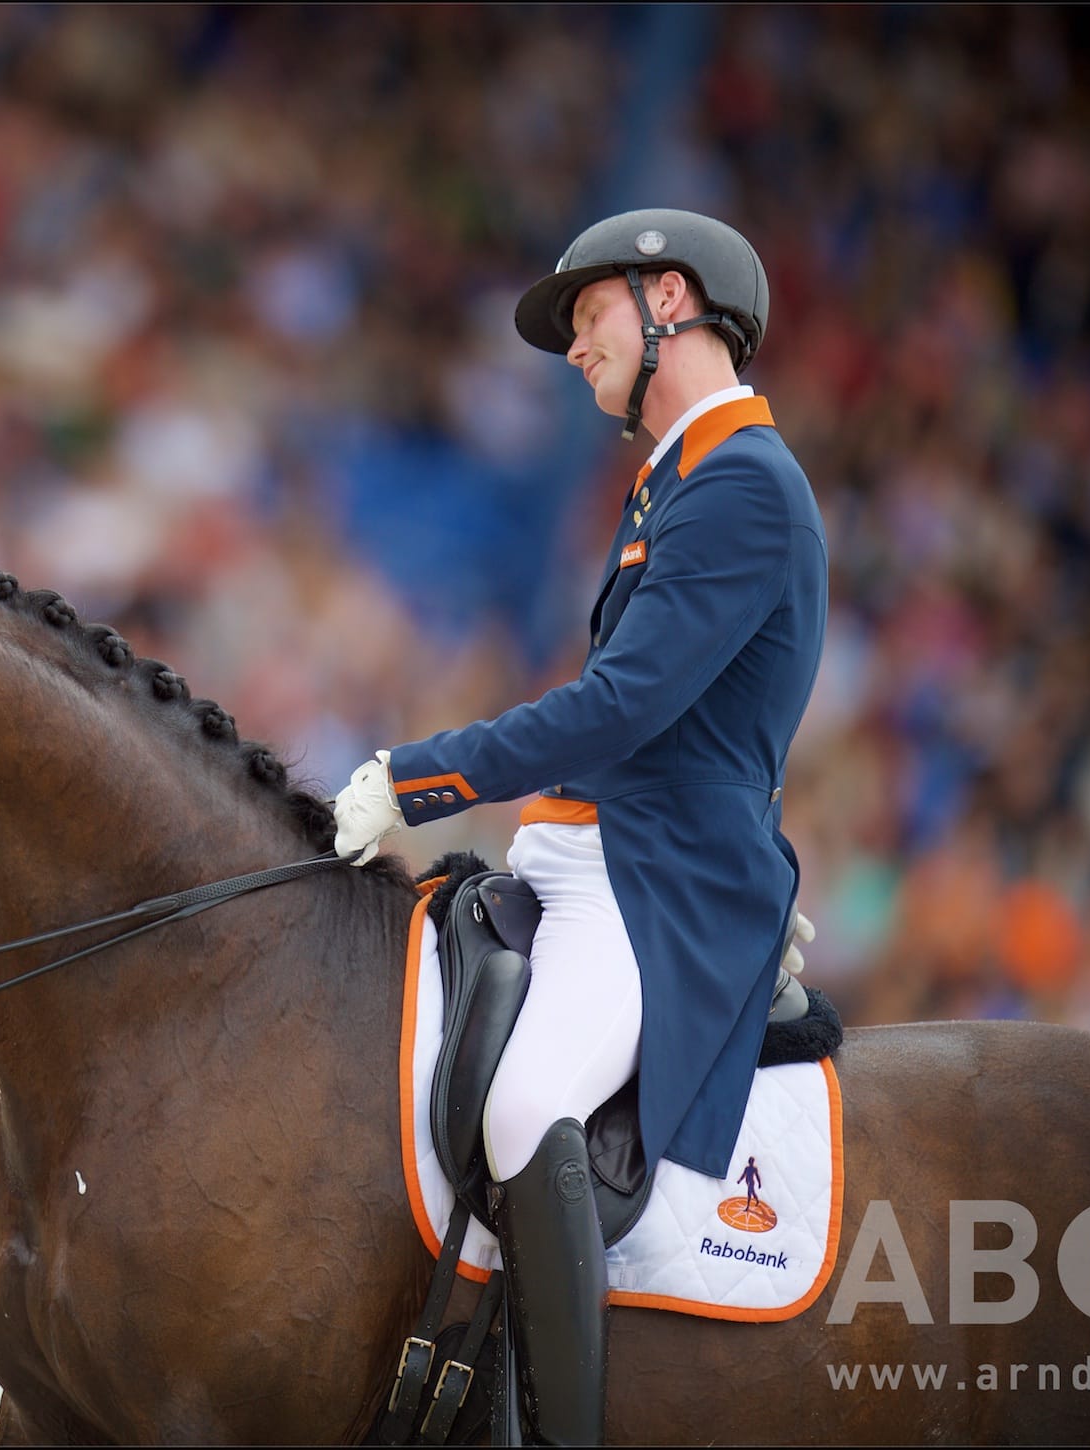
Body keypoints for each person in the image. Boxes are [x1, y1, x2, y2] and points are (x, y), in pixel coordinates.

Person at [332, 208, 827, 1444]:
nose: (571, 347)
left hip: (648, 884)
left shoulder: (745, 486)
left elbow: (626, 707)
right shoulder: (681, 481)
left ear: (670, 299)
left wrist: (423, 777)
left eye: (587, 312)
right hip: (588, 856)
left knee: (523, 1103)